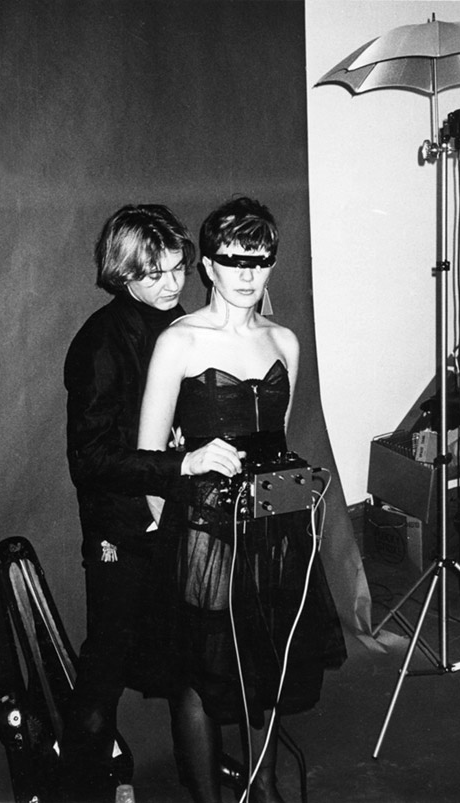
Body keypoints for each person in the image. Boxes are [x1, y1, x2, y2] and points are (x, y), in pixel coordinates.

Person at [138, 196, 347, 803]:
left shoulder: (285, 341)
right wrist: (175, 535)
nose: (249, 274)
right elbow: (149, 457)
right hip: (203, 530)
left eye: (260, 260)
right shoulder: (179, 341)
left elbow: (276, 438)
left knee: (270, 657)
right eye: (234, 260)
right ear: (208, 266)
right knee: (200, 672)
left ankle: (264, 788)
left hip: (274, 527)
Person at [61, 204, 244, 803]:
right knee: (106, 667)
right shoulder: (100, 341)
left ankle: (201, 767)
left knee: (193, 654)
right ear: (122, 273)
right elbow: (90, 460)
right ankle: (79, 788)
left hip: (180, 520)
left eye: (178, 269)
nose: (171, 284)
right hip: (120, 530)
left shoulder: (184, 325)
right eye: (154, 273)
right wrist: (179, 464)